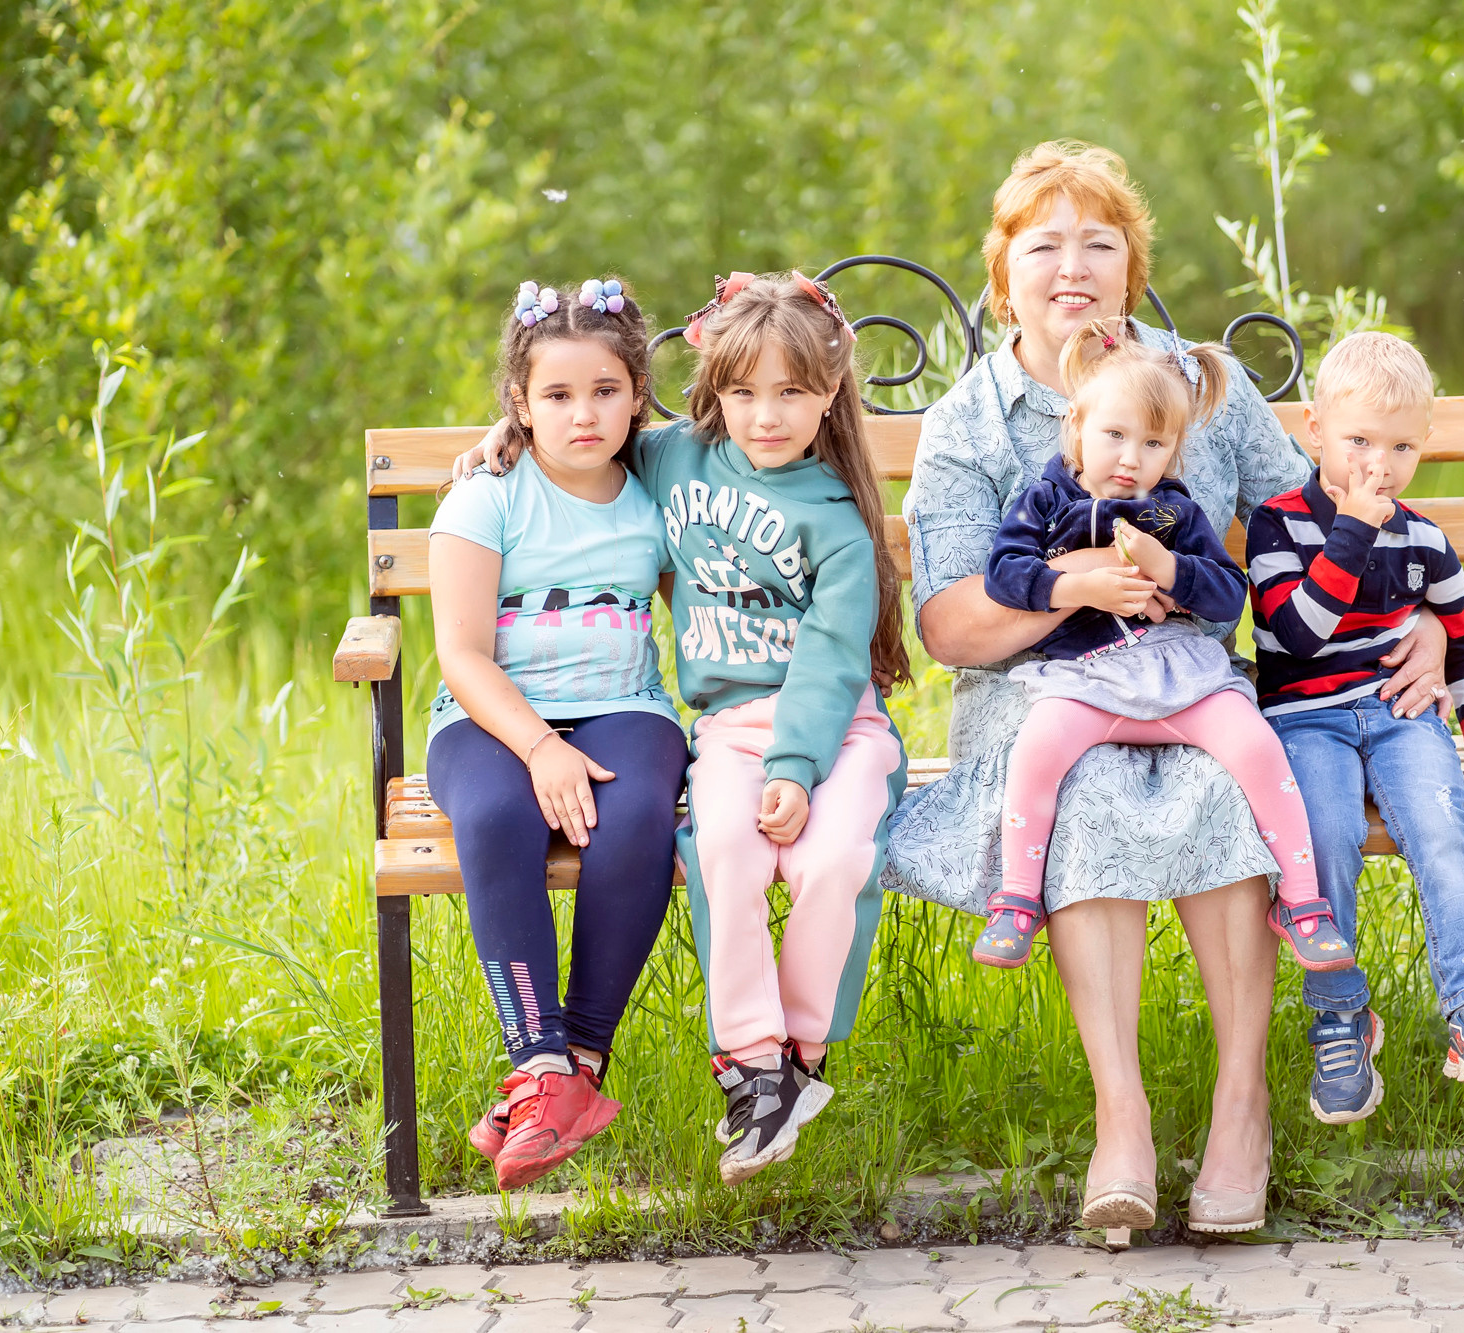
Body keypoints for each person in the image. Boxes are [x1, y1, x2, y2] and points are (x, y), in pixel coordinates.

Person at [885, 140, 1453, 1236]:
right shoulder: (973, 417)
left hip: (1188, 671)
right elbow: (950, 625)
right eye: (1042, 245)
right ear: (1002, 274)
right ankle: (1122, 1119)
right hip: (1038, 690)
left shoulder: (1198, 384)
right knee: (1088, 789)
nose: (1072, 268)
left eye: (1098, 243)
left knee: (1230, 775)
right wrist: (1073, 585)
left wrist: (1421, 615)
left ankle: (1242, 1108)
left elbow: (1318, 513)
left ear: (1130, 268)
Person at [452, 273, 912, 1185]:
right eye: (742, 392)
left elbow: (831, 660)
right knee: (720, 853)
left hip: (834, 729)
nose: (765, 416)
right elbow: (579, 433)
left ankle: (797, 1060)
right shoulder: (677, 459)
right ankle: (750, 1066)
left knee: (831, 860)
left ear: (829, 396)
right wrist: (509, 431)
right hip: (731, 727)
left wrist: (796, 763)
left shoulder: (841, 523)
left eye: (791, 393)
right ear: (713, 396)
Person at [973, 315, 1352, 981]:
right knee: (1035, 748)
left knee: (1256, 745)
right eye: (1113, 435)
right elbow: (1005, 573)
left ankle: (1303, 901)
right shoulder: (1046, 500)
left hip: (1178, 673)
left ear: (1172, 452)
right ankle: (1016, 897)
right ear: (1077, 429)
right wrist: (1078, 585)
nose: (1129, 457)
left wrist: (1166, 567)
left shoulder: (1171, 511)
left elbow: (1227, 593)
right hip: (1086, 678)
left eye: (1152, 443)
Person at [1245, 330, 1464, 1128]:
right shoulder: (1277, 526)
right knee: (1326, 837)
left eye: (1400, 446)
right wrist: (1352, 527)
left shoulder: (1423, 537)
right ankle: (1340, 1013)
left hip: (1401, 714)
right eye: (1357, 441)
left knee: (1442, 830)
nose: (1376, 465)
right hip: (1304, 720)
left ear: (1424, 446)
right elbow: (1299, 631)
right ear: (1314, 430)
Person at [427, 277, 689, 1191]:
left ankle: (582, 1058)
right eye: (559, 395)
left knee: (640, 811)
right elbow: (461, 653)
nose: (586, 414)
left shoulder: (660, 488)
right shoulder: (488, 497)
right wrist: (539, 745)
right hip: (490, 714)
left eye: (607, 391)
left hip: (625, 704)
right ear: (520, 404)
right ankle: (540, 1063)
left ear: (638, 394)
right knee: (497, 815)